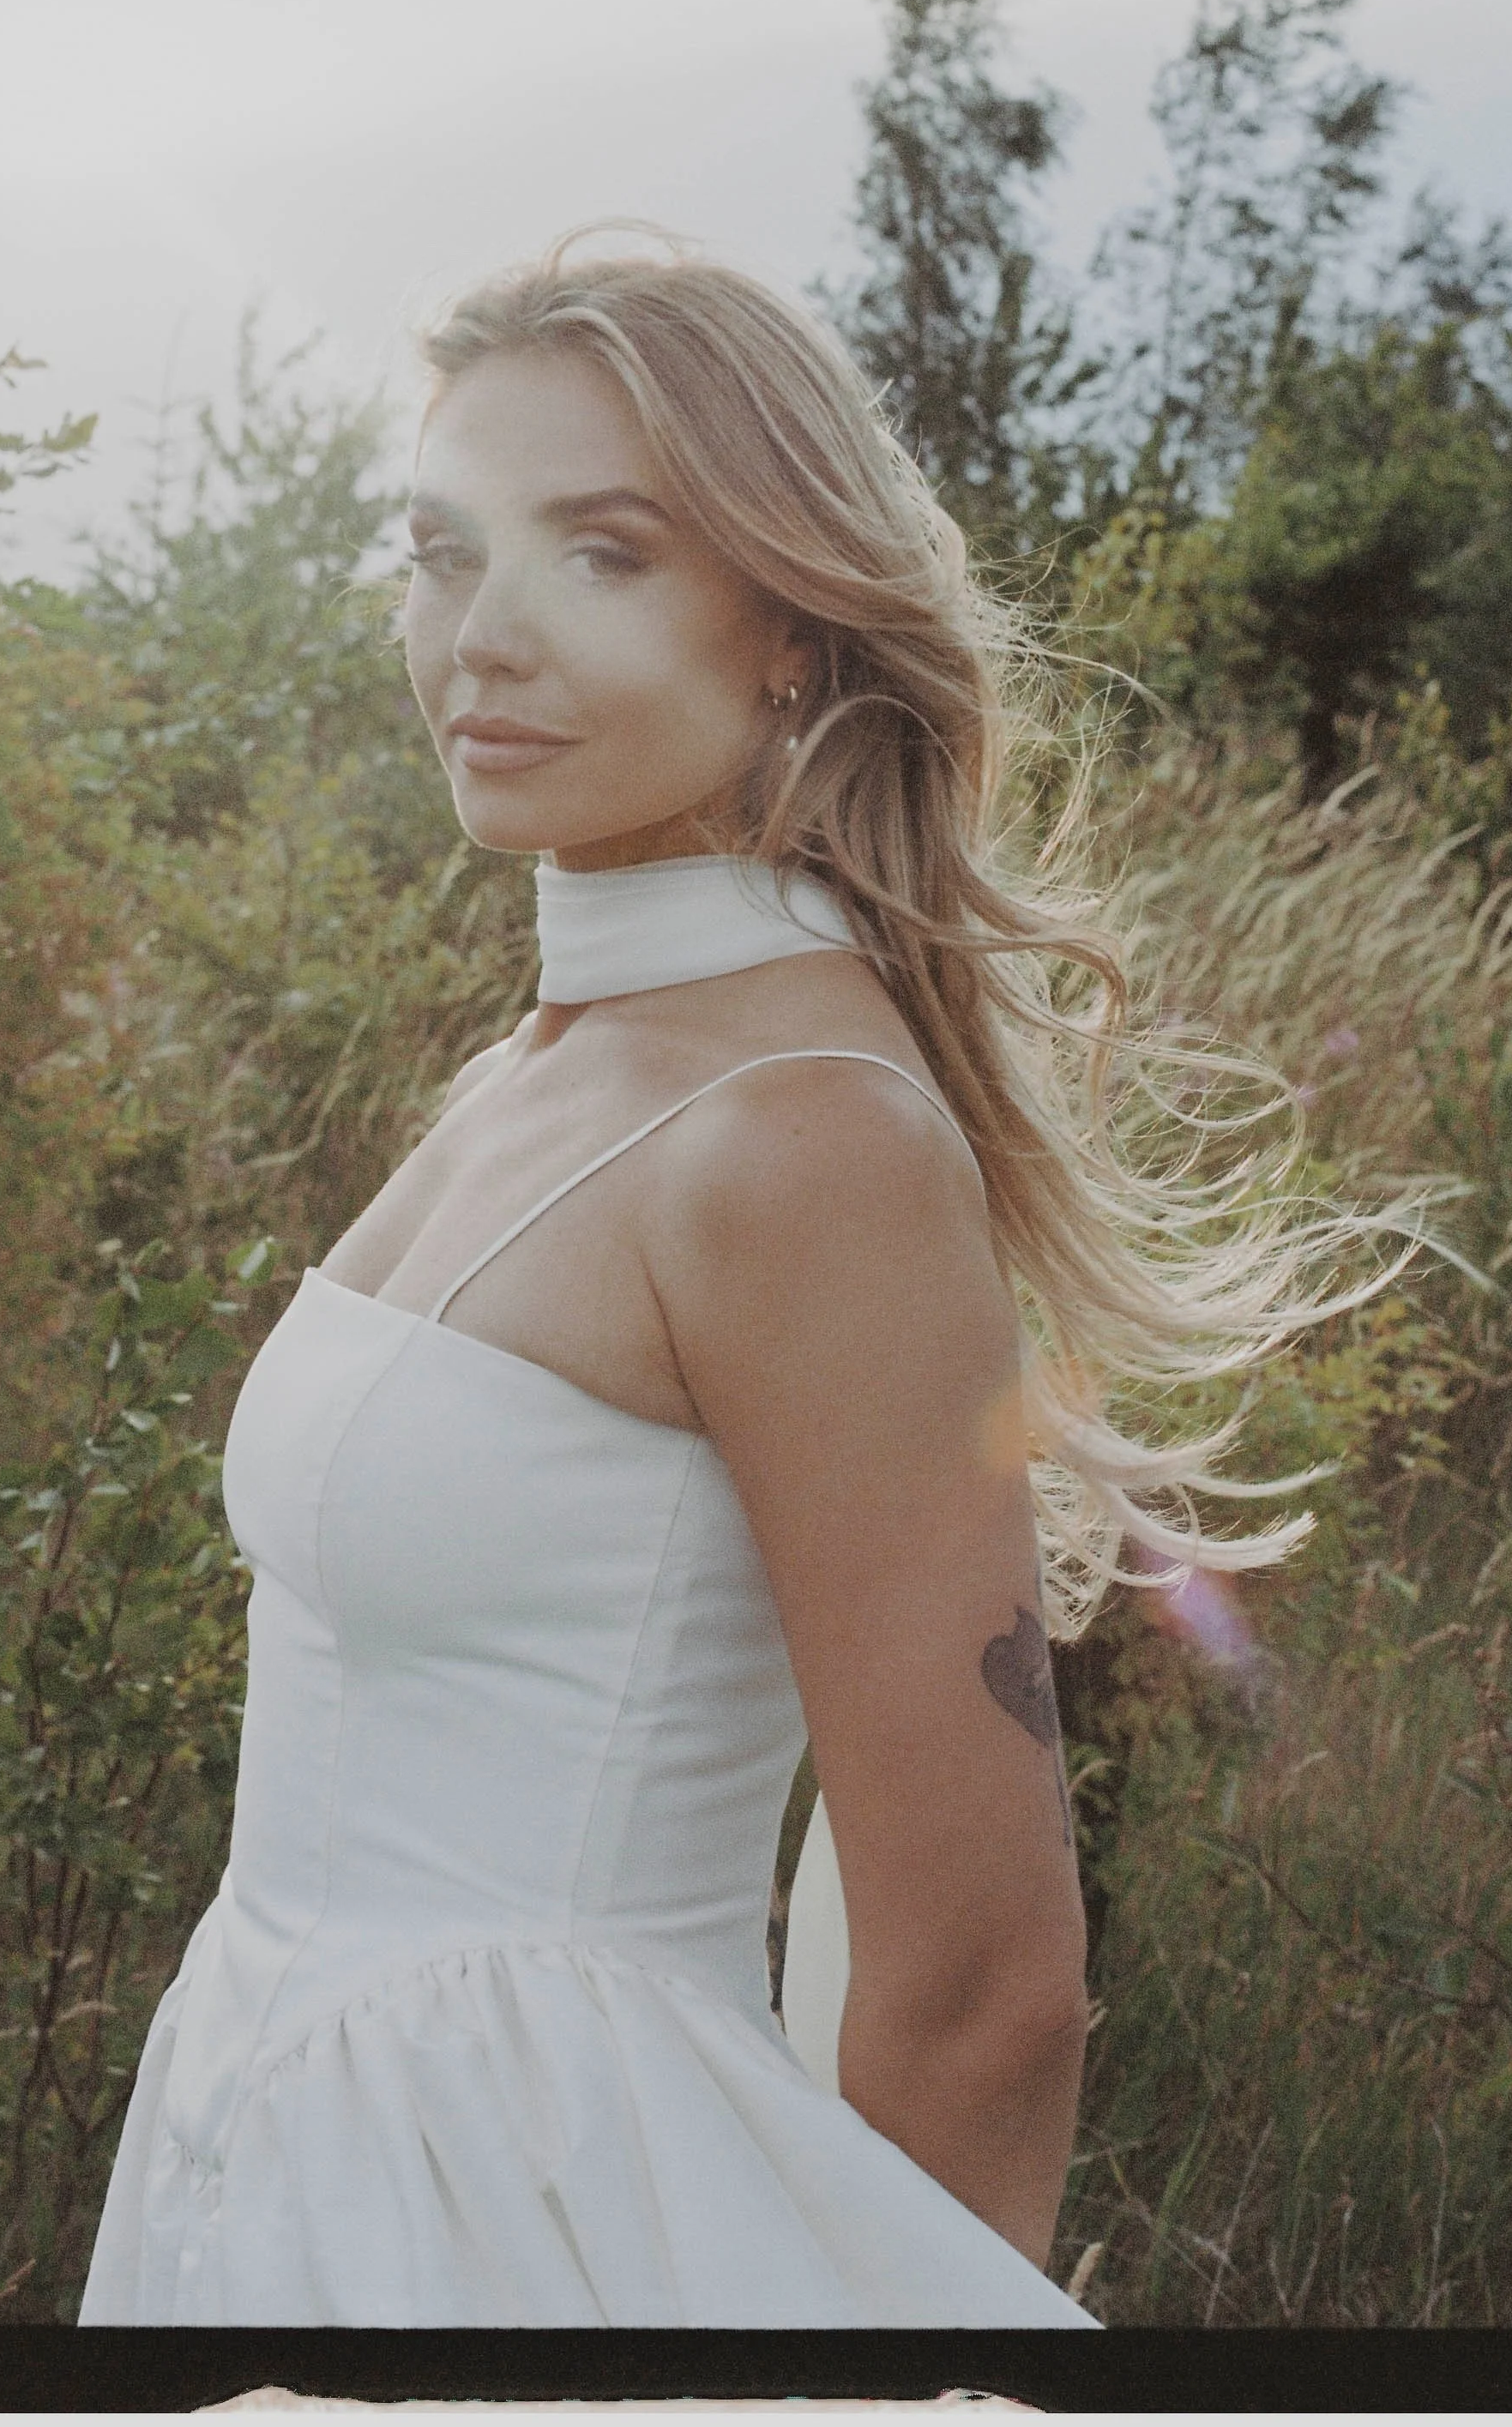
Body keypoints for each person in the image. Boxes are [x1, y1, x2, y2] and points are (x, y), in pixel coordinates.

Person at [79, 235, 1398, 2330]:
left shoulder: (802, 1144)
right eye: (440, 554)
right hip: (283, 2147)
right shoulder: (540, 1067)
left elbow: (983, 1987)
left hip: (534, 2226)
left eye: (598, 556)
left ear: (789, 628)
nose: (480, 637)